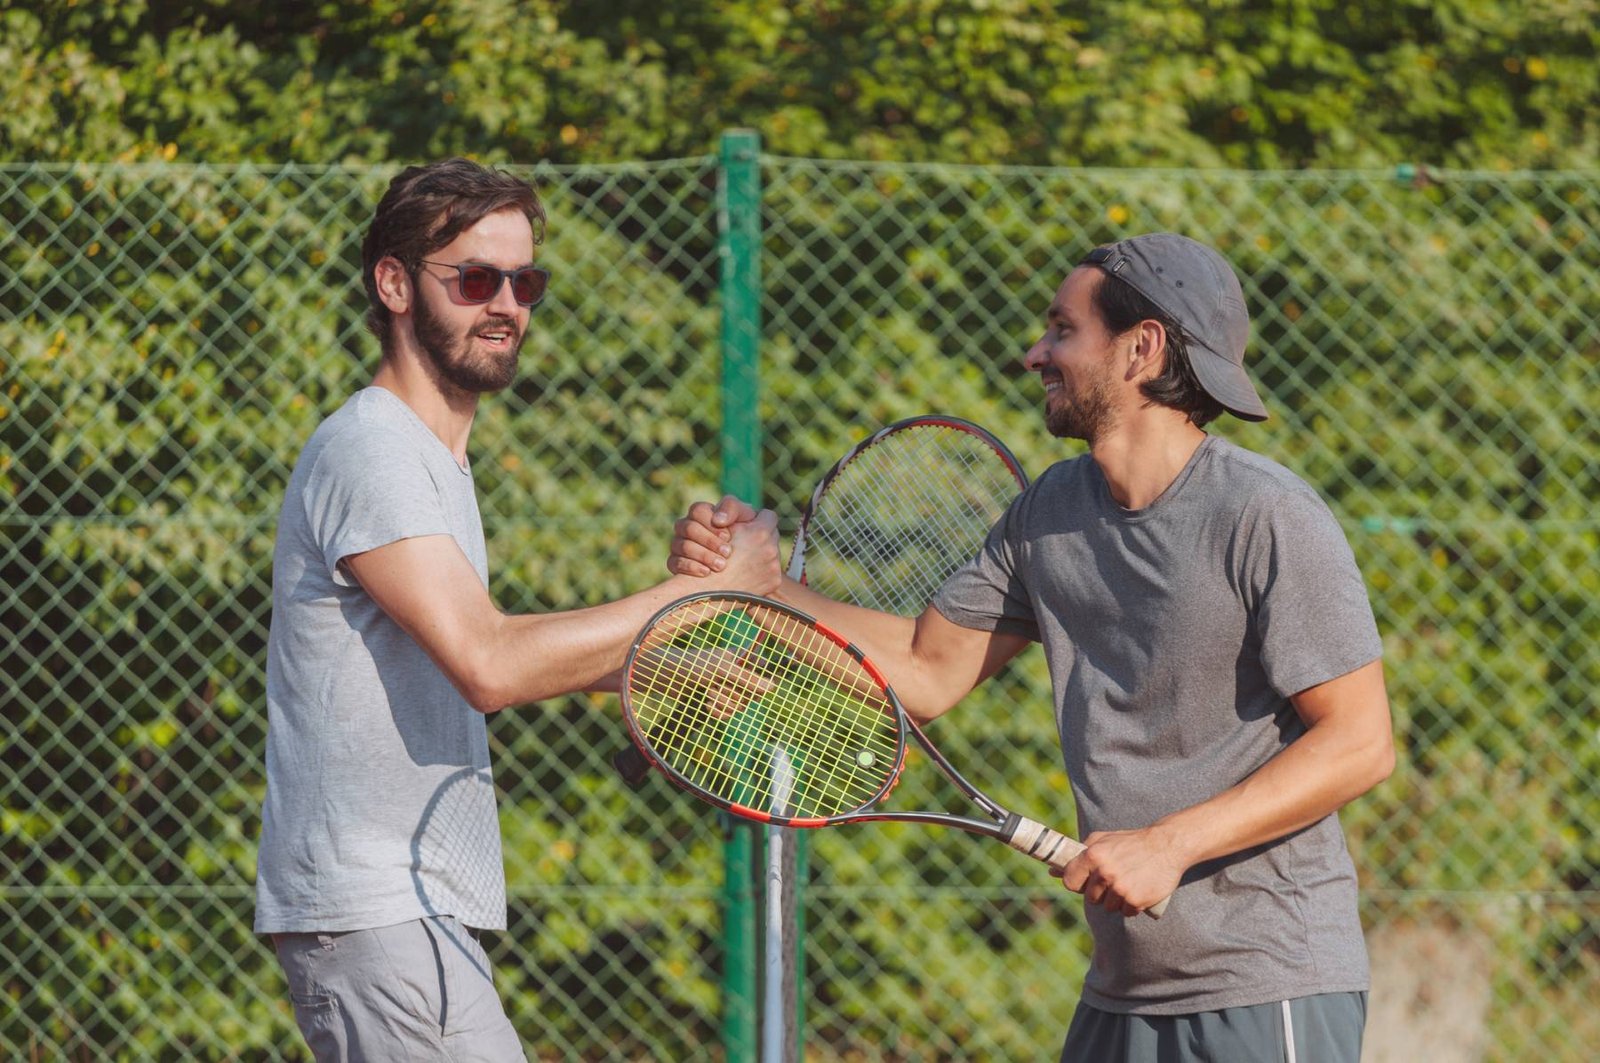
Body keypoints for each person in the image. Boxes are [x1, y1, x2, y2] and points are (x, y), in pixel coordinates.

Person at [671, 233, 1395, 1062]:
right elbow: (923, 667)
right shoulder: (1049, 510)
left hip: (1270, 986)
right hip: (1121, 993)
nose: (1034, 354)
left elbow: (1360, 742)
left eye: (1061, 330)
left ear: (1141, 348)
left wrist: (1169, 844)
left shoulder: (1266, 514)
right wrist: (753, 585)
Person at [255, 157, 781, 1063]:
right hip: (378, 907)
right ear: (393, 284)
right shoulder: (374, 452)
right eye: (473, 278)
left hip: (412, 910)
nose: (506, 303)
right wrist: (702, 594)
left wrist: (673, 657)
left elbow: (482, 657)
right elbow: (490, 663)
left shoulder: (433, 460)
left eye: (523, 280)